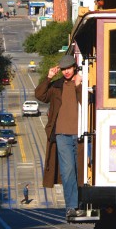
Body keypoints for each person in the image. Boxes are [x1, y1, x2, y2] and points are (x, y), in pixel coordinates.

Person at [35, 54, 85, 219]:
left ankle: (82, 204)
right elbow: (40, 95)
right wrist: (49, 77)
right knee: (68, 171)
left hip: (80, 135)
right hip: (61, 135)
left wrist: (79, 86)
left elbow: (88, 102)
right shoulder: (56, 86)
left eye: (68, 68)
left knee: (80, 171)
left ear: (74, 67)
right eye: (63, 69)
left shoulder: (82, 82)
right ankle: (71, 207)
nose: (66, 72)